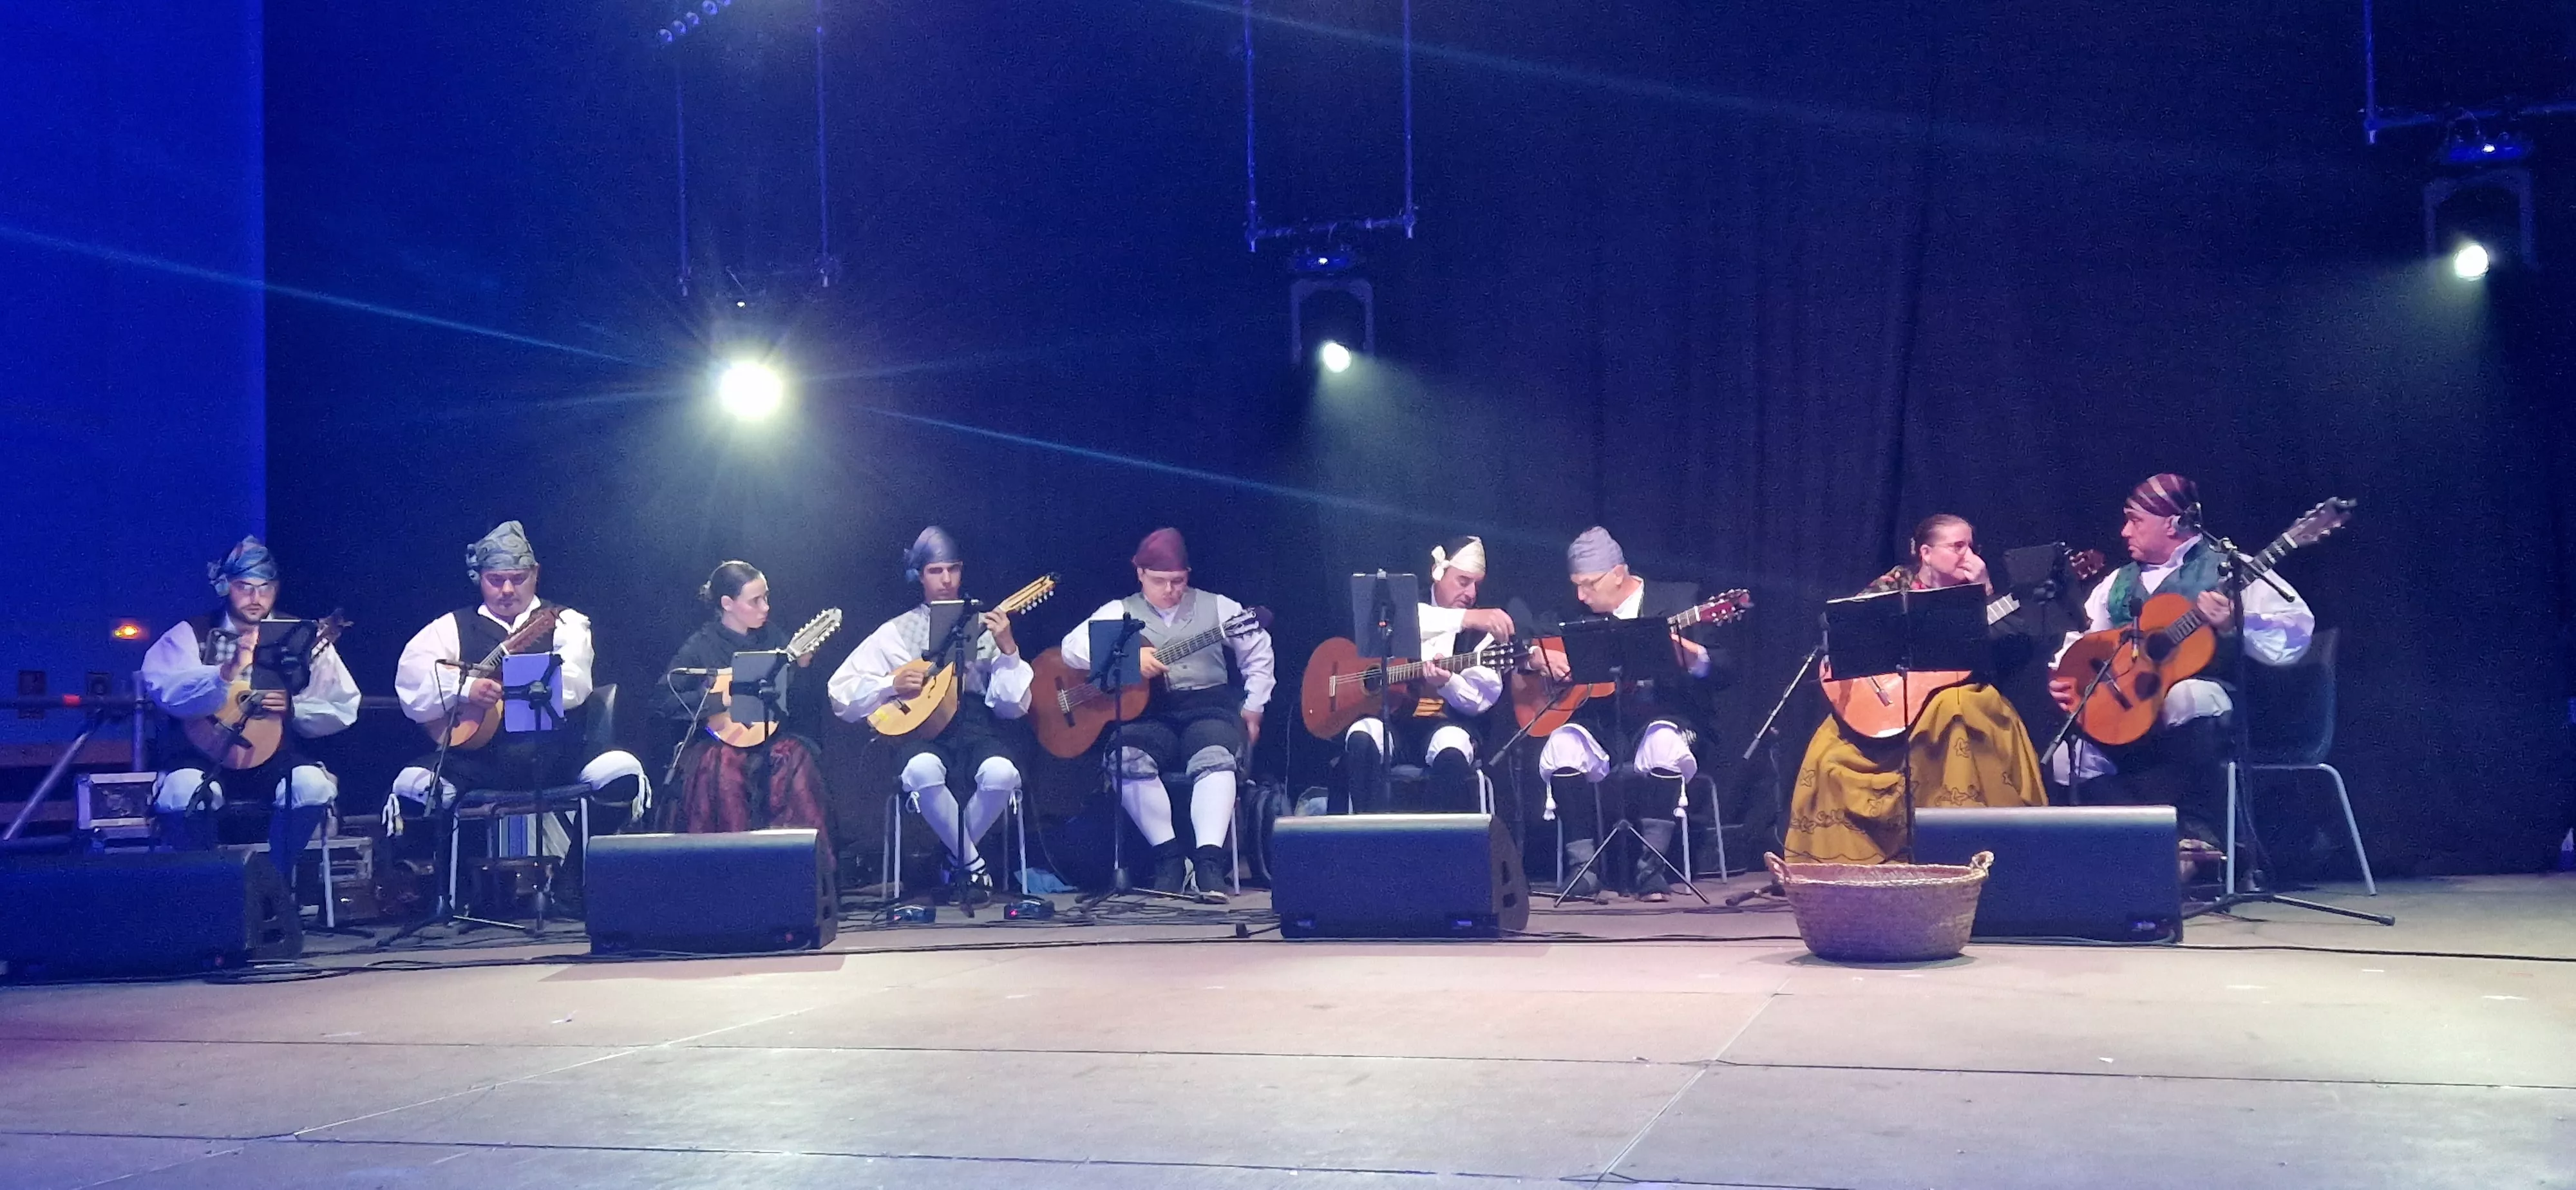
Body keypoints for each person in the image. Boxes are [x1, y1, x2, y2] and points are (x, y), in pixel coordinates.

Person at [2047, 474, 2315, 855]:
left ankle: (2203, 831)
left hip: (2217, 711)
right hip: (2132, 711)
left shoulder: (2229, 568)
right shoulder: (2118, 583)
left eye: (2135, 520)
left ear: (2172, 523)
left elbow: (2296, 632)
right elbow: (2082, 642)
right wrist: (2065, 678)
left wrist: (2238, 620)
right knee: (2064, 759)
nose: (2124, 531)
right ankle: (2161, 846)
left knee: (2187, 695)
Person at [1785, 515, 2049, 865]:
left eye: (1972, 547)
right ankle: (1840, 862)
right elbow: (1840, 623)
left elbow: (2013, 642)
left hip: (1957, 697)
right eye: (1957, 546)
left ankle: (1956, 853)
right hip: (1894, 700)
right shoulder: (1897, 584)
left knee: (1954, 710)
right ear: (1926, 553)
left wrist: (1983, 592)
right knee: (1828, 746)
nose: (1968, 556)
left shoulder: (1981, 595)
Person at [390, 520, 648, 839]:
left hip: (556, 756)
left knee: (621, 772)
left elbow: (574, 683)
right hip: (480, 762)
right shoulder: (450, 627)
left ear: (536, 574)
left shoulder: (565, 622)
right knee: (412, 786)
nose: (508, 590)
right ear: (479, 579)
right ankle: (457, 885)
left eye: (518, 579)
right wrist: (468, 689)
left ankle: (574, 874)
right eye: (496, 580)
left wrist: (506, 688)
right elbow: (413, 683)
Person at [1058, 527, 1275, 903]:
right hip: (1149, 712)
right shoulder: (1120, 610)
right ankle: (1169, 857)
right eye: (1160, 581)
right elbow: (1070, 650)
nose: (1171, 589)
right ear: (1139, 573)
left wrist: (1253, 706)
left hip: (1209, 706)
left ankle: (1209, 862)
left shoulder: (1218, 606)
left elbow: (1258, 653)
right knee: (1125, 759)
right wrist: (1128, 657)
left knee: (1216, 758)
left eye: (1178, 581)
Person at [140, 536, 360, 885]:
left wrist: (293, 707)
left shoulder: (296, 635)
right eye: (245, 587)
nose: (256, 598)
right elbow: (165, 689)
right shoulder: (193, 634)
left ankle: (272, 888)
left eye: (266, 587)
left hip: (273, 756)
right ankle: (208, 890)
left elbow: (342, 704)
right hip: (204, 755)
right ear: (226, 586)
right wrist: (222, 676)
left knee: (312, 787)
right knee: (182, 791)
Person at [828, 527, 1033, 900]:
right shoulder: (894, 633)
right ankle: (970, 865)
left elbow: (1012, 707)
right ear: (920, 576)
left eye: (953, 570)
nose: (946, 580)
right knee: (922, 770)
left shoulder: (983, 627)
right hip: (922, 731)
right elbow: (840, 693)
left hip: (974, 726)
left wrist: (1009, 650)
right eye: (936, 571)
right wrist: (890, 685)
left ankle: (955, 862)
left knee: (1003, 775)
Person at [1535, 527, 1735, 902]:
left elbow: (1726, 670)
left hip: (1668, 714)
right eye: (1576, 585)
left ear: (1618, 574)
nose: (1581, 595)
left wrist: (1695, 659)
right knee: (1563, 744)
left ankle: (1651, 871)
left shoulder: (1679, 599)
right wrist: (1541, 660)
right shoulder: (1574, 612)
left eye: (1590, 584)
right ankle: (1583, 868)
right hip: (1602, 721)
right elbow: (1531, 643)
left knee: (1663, 742)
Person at [1340, 535, 1515, 814]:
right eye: (1463, 581)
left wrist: (1448, 683)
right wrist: (1466, 619)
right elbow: (1410, 617)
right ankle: (1369, 838)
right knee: (1361, 735)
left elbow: (1484, 698)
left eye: (1476, 585)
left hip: (1446, 724)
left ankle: (1432, 847)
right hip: (1395, 721)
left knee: (1452, 747)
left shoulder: (1486, 626)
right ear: (1439, 573)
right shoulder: (1410, 606)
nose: (1471, 594)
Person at [656, 560, 831, 836]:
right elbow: (664, 701)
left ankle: (791, 865)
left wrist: (802, 670)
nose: (766, 607)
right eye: (755, 601)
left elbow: (800, 704)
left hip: (771, 739)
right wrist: (719, 700)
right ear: (728, 603)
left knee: (796, 760)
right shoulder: (701, 645)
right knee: (722, 766)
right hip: (719, 744)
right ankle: (730, 863)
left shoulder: (773, 637)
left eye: (766, 597)